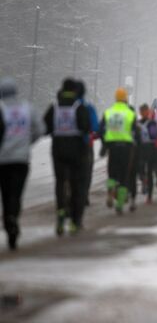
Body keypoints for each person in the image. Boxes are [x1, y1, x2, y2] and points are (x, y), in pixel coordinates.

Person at [0, 78, 44, 250]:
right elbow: (41, 128)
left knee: (5, 192)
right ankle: (13, 217)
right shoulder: (27, 108)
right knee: (16, 193)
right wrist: (27, 142)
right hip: (21, 159)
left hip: (2, 160)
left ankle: (8, 220)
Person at [44, 78, 91, 235]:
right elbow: (86, 127)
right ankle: (74, 221)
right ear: (75, 91)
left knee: (60, 182)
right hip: (76, 151)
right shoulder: (79, 107)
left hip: (58, 150)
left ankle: (60, 213)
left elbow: (46, 127)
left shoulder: (55, 107)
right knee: (75, 184)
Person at [99, 88, 137, 215]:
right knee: (124, 176)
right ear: (125, 98)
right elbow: (135, 132)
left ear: (115, 98)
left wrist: (105, 145)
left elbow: (101, 130)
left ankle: (110, 192)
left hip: (112, 147)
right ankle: (119, 205)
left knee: (112, 173)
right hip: (126, 148)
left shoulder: (108, 112)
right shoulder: (130, 113)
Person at [75, 81, 99, 207]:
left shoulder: (63, 106)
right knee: (86, 171)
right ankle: (84, 195)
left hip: (66, 146)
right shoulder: (88, 107)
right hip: (85, 144)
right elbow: (95, 127)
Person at [137, 104, 157, 204]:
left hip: (150, 148)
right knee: (140, 169)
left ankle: (149, 196)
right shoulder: (138, 123)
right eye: (142, 111)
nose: (144, 113)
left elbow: (154, 136)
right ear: (140, 112)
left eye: (146, 111)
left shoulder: (152, 123)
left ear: (148, 112)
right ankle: (143, 180)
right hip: (140, 148)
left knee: (150, 172)